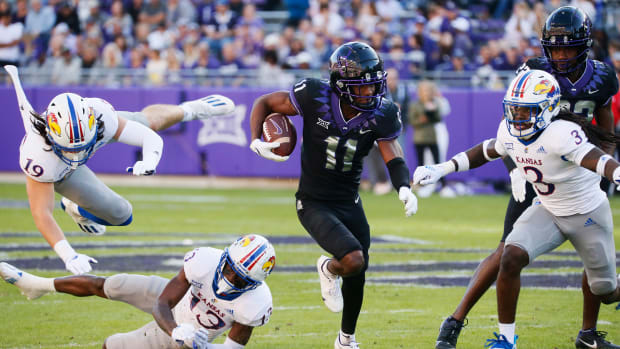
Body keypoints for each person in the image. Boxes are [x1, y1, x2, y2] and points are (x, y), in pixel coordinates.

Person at [434, 6, 620, 349]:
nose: (561, 56)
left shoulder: (603, 76)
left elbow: (606, 128)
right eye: (556, 48)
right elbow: (511, 129)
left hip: (579, 172)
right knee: (508, 250)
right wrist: (517, 170)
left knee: (595, 261)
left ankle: (589, 332)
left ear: (584, 46)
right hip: (537, 172)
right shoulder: (534, 69)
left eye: (568, 48)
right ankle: (456, 320)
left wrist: (606, 170)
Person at [248, 41, 418, 349]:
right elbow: (265, 102)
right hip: (313, 201)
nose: (371, 93)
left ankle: (346, 340)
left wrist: (403, 186)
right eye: (362, 87)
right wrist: (255, 139)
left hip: (349, 201)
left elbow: (393, 155)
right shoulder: (315, 95)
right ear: (341, 84)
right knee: (352, 259)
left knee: (359, 270)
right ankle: (328, 268)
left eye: (373, 85)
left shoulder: (383, 113)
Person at [4, 64, 235, 276]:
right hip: (61, 172)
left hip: (79, 145)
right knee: (122, 214)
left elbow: (149, 137)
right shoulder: (39, 154)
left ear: (92, 125)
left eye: (82, 146)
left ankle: (191, 110)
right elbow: (42, 213)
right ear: (52, 136)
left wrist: (149, 162)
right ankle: (74, 204)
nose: (76, 155)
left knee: (146, 121)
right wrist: (68, 254)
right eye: (69, 148)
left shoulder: (100, 116)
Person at [0, 234, 275, 349]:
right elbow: (163, 302)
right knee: (111, 283)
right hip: (175, 309)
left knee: (112, 345)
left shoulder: (255, 303)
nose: (228, 279)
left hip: (191, 333)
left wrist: (197, 344)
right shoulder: (204, 260)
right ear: (225, 257)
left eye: (239, 279)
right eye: (229, 269)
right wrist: (175, 330)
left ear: (253, 283)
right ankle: (35, 286)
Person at [408, 80, 445, 196]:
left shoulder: (434, 103)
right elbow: (412, 121)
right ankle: (420, 185)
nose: (426, 93)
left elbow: (438, 118)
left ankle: (442, 184)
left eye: (428, 91)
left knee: (437, 161)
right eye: (424, 91)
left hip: (432, 137)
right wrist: (421, 120)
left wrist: (433, 112)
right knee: (421, 164)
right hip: (419, 138)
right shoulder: (415, 104)